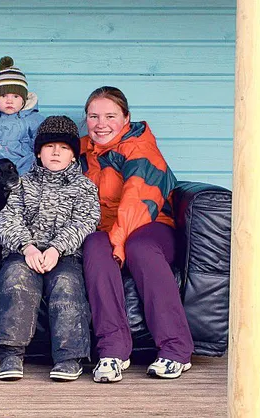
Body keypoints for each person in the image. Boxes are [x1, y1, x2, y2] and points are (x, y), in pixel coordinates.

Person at [80, 86, 194, 383]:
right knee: (93, 245)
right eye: (93, 116)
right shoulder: (81, 150)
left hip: (152, 224)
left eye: (110, 116)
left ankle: (176, 349)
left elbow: (137, 203)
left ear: (126, 118)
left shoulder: (139, 146)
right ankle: (113, 351)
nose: (101, 123)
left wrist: (117, 245)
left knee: (139, 247)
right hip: (105, 228)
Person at [0, 115, 101, 382]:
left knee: (67, 285)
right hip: (25, 252)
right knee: (16, 280)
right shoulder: (22, 184)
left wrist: (57, 248)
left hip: (65, 255)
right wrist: (27, 247)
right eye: (49, 146)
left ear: (73, 156)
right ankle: (11, 354)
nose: (56, 152)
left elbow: (86, 222)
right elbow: (5, 219)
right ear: (38, 152)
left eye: (64, 147)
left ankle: (69, 356)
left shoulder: (84, 187)